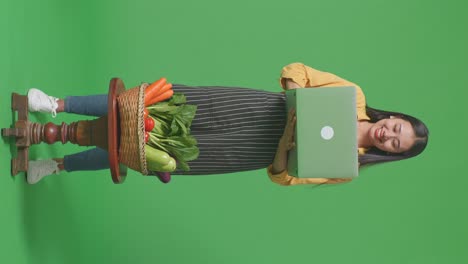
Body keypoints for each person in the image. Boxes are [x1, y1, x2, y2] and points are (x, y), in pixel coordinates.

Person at [25, 62, 429, 185]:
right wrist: (294, 99)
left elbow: (286, 179)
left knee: (145, 153)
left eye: (396, 144)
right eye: (397, 128)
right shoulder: (353, 96)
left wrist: (288, 145)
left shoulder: (349, 168)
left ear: (389, 154)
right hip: (252, 107)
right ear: (393, 118)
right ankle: (56, 104)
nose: (389, 135)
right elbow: (298, 71)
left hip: (248, 152)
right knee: (146, 107)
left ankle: (58, 165)